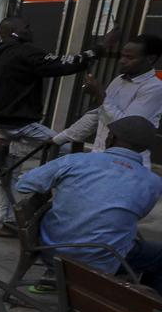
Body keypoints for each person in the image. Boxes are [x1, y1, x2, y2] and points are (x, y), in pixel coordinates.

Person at [18, 115, 162, 294]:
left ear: (112, 138)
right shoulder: (153, 182)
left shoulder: (77, 161)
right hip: (102, 258)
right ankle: (149, 311)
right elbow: (138, 213)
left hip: (51, 251)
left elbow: (23, 184)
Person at [0, 18, 94, 236]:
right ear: (14, 33)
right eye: (26, 27)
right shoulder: (25, 52)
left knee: (10, 172)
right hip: (20, 124)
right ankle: (40, 199)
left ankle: (10, 220)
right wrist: (93, 53)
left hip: (2, 124)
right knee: (74, 154)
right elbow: (61, 65)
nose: (30, 30)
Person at [53, 34, 162, 165]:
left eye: (129, 57)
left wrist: (99, 94)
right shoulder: (119, 80)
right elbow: (96, 116)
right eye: (122, 55)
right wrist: (59, 139)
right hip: (100, 157)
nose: (122, 61)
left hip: (125, 164)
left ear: (150, 59)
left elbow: (127, 130)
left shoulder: (154, 88)